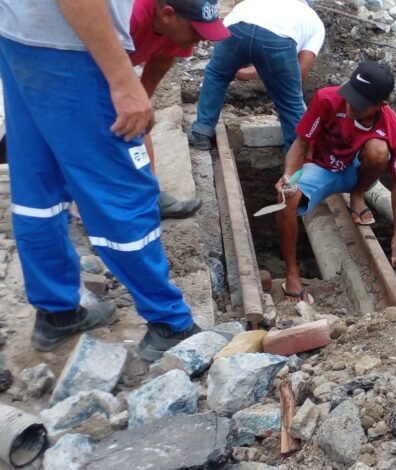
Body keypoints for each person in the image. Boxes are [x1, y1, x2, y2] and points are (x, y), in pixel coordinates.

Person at [0, 0, 201, 360]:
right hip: (75, 49)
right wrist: (123, 79)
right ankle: (171, 324)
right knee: (123, 192)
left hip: (19, 36)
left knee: (38, 189)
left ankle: (57, 312)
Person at [275, 62, 396, 302]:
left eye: (359, 104)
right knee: (287, 198)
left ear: (380, 105)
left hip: (356, 174)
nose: (350, 105)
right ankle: (292, 273)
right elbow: (301, 142)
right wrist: (288, 176)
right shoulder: (327, 99)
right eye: (350, 97)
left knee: (379, 151)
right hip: (321, 169)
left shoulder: (392, 129)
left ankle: (357, 196)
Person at [130, 0, 230, 218]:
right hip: (76, 65)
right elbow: (92, 61)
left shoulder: (173, 28)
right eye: (196, 30)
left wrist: (142, 100)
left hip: (111, 65)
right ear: (168, 14)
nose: (202, 38)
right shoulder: (132, 13)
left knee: (139, 120)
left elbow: (162, 61)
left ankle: (150, 194)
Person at [187, 0, 325, 153]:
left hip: (236, 27)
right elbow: (301, 69)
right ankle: (296, 161)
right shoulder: (315, 23)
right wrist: (291, 94)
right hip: (279, 41)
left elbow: (254, 37)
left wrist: (252, 70)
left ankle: (202, 131)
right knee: (291, 103)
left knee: (217, 75)